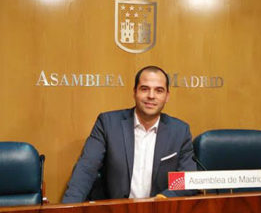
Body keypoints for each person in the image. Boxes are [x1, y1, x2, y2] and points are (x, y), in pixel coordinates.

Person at [62, 65, 197, 203]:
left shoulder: (180, 131)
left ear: (167, 96)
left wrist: (160, 200)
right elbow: (86, 169)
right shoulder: (108, 124)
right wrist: (67, 210)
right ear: (134, 92)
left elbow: (187, 179)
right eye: (144, 89)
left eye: (159, 91)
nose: (151, 96)